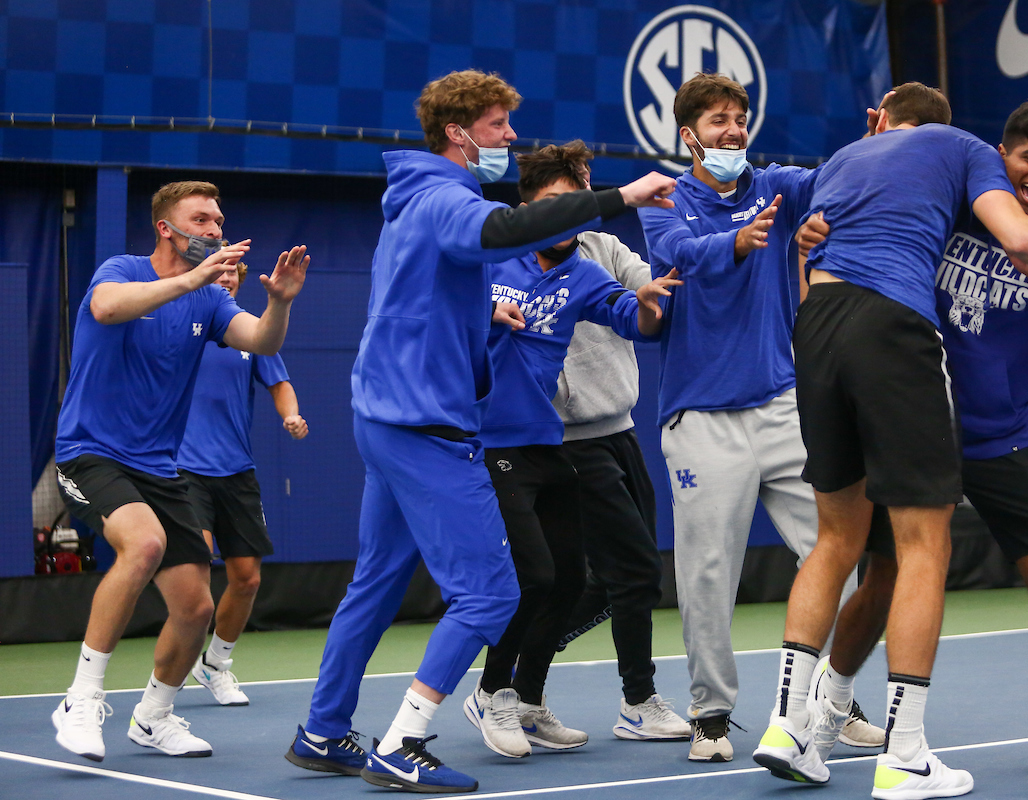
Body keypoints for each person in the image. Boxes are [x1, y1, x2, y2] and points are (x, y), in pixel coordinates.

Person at [284, 70, 676, 794]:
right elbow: (502, 230)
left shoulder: (412, 200)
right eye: (499, 126)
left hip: (383, 416)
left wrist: (475, 316)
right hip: (424, 428)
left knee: (373, 585)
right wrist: (621, 196)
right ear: (460, 132)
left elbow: (435, 283)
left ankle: (322, 729)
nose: (511, 139)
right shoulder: (443, 196)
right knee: (492, 596)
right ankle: (403, 742)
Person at [752, 82, 1028, 800]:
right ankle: (827, 717)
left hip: (1006, 439)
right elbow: (856, 224)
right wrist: (813, 232)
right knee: (882, 578)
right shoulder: (954, 195)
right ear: (1000, 155)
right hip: (914, 406)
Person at [636, 72, 877, 762]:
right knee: (708, 575)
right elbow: (678, 257)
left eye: (739, 118)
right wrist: (735, 245)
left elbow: (835, 176)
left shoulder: (778, 186)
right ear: (688, 136)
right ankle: (711, 716)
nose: (732, 130)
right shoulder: (663, 200)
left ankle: (834, 702)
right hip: (701, 419)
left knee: (839, 558)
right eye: (717, 121)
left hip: (781, 405)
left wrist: (876, 143)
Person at [51, 180, 309, 762]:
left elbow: (260, 340)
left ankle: (153, 717)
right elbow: (105, 307)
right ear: (167, 227)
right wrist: (192, 280)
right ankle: (82, 697)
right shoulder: (122, 268)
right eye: (202, 219)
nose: (215, 229)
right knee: (143, 546)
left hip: (158, 467)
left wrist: (282, 302)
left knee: (195, 607)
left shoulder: (214, 300)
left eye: (219, 220)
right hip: (90, 451)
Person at [463, 141, 683, 758]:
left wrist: (648, 306)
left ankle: (523, 691)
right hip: (530, 439)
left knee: (591, 579)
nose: (572, 207)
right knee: (549, 577)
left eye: (581, 195)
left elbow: (633, 307)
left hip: (613, 430)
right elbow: (450, 320)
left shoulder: (594, 261)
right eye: (556, 200)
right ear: (528, 208)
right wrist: (487, 317)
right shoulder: (491, 259)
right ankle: (501, 688)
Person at [550, 158, 691, 744]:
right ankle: (638, 701)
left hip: (622, 431)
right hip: (566, 442)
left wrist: (658, 292)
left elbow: (649, 288)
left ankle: (514, 674)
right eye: (565, 190)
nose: (582, 195)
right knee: (634, 573)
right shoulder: (514, 257)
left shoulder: (603, 244)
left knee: (613, 580)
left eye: (585, 184)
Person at [176, 261, 310, 707]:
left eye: (234, 273)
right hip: (183, 470)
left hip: (237, 472)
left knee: (247, 579)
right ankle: (167, 679)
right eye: (220, 272)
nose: (227, 278)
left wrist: (290, 414)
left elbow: (280, 385)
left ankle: (215, 664)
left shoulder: (252, 332)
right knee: (195, 574)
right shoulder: (181, 327)